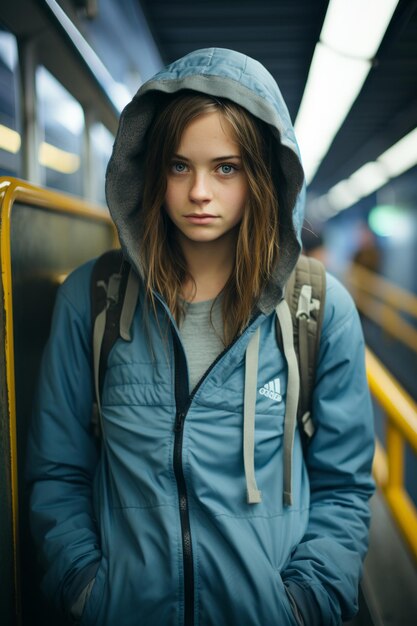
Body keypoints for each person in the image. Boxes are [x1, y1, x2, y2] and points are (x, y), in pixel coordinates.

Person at [27, 48, 375, 626]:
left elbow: (344, 486)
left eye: (226, 167)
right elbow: (57, 471)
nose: (199, 193)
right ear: (152, 170)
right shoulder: (93, 300)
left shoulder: (317, 309)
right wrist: (87, 590)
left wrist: (303, 604)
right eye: (179, 166)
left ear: (262, 176)